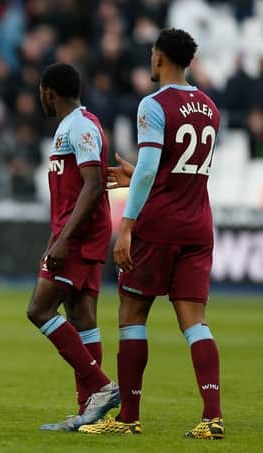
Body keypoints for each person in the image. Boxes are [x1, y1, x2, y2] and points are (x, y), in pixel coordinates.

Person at [79, 28, 224, 439]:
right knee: (195, 322)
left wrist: (126, 226)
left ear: (159, 58)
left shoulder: (154, 104)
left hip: (159, 225)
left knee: (131, 313)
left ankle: (128, 417)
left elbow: (148, 167)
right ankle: (212, 416)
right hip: (198, 223)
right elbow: (179, 166)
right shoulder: (210, 106)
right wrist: (143, 176)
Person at [26, 63, 119, 431]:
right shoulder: (74, 126)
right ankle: (87, 413)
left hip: (80, 237)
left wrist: (64, 240)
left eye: (40, 93)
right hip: (75, 234)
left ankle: (101, 387)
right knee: (81, 318)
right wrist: (55, 237)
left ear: (49, 92)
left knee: (39, 310)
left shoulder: (80, 126)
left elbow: (93, 184)